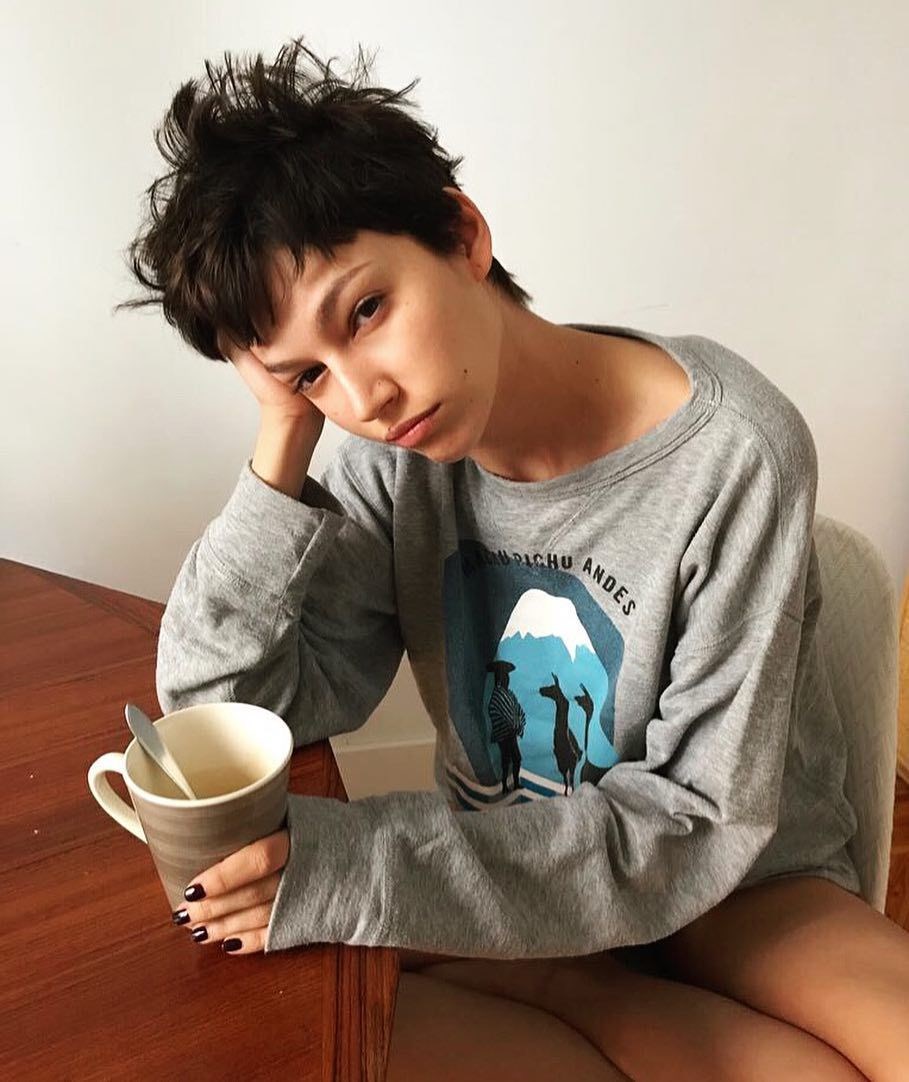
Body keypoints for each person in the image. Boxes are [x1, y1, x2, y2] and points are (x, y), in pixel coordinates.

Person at [118, 36, 909, 1080]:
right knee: (292, 1043)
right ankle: (572, 984)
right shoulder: (389, 466)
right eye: (310, 374)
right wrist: (283, 434)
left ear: (462, 234)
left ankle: (572, 986)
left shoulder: (733, 453)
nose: (365, 396)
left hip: (741, 885)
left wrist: (366, 869)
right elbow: (220, 713)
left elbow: (692, 825)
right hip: (513, 877)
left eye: (367, 311)